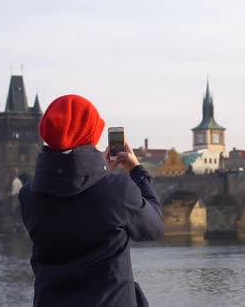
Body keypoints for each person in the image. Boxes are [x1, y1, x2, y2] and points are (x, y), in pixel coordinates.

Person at [18, 94, 164, 307]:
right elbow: (154, 228)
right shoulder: (117, 191)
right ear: (90, 135)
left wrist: (98, 174)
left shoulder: (28, 196)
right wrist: (137, 171)